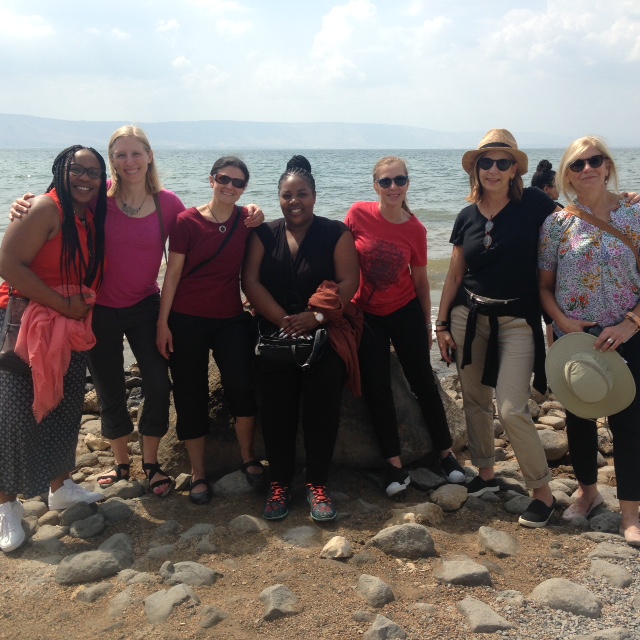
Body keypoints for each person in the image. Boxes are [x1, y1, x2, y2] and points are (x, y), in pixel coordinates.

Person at [10, 127, 264, 497]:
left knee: (160, 385)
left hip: (145, 305)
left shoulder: (169, 204)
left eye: (135, 154)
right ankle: (121, 462)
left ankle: (151, 462)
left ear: (149, 156)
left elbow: (208, 219)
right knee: (110, 387)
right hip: (97, 307)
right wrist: (24, 203)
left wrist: (253, 211)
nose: (129, 162)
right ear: (112, 161)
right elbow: (59, 203)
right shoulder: (98, 201)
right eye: (120, 155)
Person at [435, 129, 560, 528]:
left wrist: (621, 201)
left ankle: (542, 492)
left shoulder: (535, 204)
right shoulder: (466, 216)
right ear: (476, 169)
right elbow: (455, 276)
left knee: (510, 408)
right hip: (468, 318)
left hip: (518, 320)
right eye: (485, 162)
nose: (492, 169)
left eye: (502, 162)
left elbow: (575, 220)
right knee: (473, 399)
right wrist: (440, 325)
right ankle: (486, 473)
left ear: (514, 171)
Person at [0, 145, 107, 553]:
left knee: (64, 405)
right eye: (76, 170)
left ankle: (60, 487)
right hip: (26, 324)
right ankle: (7, 507)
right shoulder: (47, 208)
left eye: (94, 172)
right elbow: (9, 264)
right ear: (60, 170)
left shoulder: (90, 212)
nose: (84, 178)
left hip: (68, 325)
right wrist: (63, 305)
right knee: (13, 413)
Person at [242, 155, 360, 521]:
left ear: (314, 195)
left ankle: (317, 484)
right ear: (278, 197)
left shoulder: (336, 232)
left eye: (302, 194)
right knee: (276, 412)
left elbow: (349, 282)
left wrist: (316, 317)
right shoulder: (264, 233)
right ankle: (280, 484)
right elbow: (251, 281)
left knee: (321, 411)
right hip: (275, 338)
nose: (295, 201)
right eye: (287, 195)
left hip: (323, 338)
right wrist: (285, 320)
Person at [539, 136, 640, 546]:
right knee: (579, 418)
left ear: (608, 165)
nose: (587, 169)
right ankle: (588, 493)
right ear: (567, 175)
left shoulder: (635, 215)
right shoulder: (557, 224)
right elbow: (544, 286)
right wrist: (563, 322)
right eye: (577, 164)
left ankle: (631, 511)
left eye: (595, 160)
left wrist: (630, 324)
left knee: (630, 423)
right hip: (576, 337)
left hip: (627, 334)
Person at [345, 156, 465, 497]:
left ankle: (446, 454)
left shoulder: (415, 229)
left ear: (408, 183)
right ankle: (394, 465)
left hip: (405, 312)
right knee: (377, 386)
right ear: (375, 186)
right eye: (386, 181)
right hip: (366, 314)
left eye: (400, 180)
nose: (393, 187)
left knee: (423, 381)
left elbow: (422, 282)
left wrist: (429, 325)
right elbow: (340, 256)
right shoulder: (357, 213)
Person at [156, 156, 262, 504]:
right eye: (223, 179)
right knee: (190, 395)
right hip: (186, 320)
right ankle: (199, 474)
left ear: (244, 188)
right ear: (211, 179)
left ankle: (248, 457)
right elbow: (172, 275)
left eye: (238, 182)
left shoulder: (247, 220)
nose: (229, 186)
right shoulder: (186, 221)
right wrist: (163, 323)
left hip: (230, 318)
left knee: (242, 388)